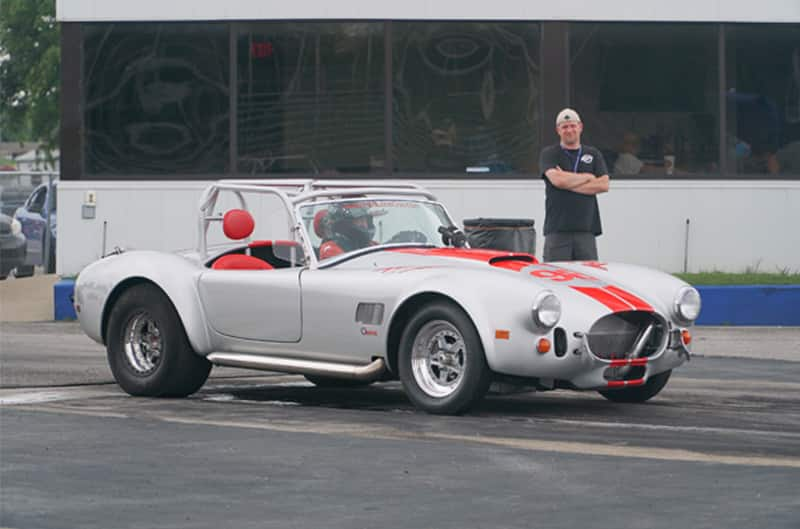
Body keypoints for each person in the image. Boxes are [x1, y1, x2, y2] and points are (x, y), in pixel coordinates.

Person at [538, 108, 610, 261]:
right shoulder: (550, 153)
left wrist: (568, 182)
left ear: (580, 127)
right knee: (555, 278)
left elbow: (603, 185)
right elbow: (558, 181)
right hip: (557, 230)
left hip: (586, 231)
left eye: (572, 126)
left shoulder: (593, 154)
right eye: (564, 127)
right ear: (558, 130)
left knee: (588, 279)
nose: (569, 130)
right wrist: (588, 177)